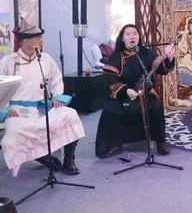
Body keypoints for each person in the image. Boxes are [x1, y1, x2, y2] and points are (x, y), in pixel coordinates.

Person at [0, 23, 84, 176]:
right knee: (16, 131)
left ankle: (69, 160)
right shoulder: (7, 62)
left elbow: (56, 79)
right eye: (38, 38)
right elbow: (1, 88)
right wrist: (6, 110)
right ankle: (43, 156)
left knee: (70, 115)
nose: (42, 41)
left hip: (43, 108)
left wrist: (57, 96)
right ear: (26, 41)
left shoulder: (45, 59)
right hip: (17, 111)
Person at [95, 24, 175, 158]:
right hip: (123, 94)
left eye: (135, 33)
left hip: (144, 93)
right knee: (109, 109)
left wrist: (169, 58)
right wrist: (125, 91)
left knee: (155, 106)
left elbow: (161, 69)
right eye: (128, 34)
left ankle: (161, 142)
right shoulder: (116, 56)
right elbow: (110, 80)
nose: (132, 36)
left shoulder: (146, 53)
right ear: (122, 38)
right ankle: (112, 143)